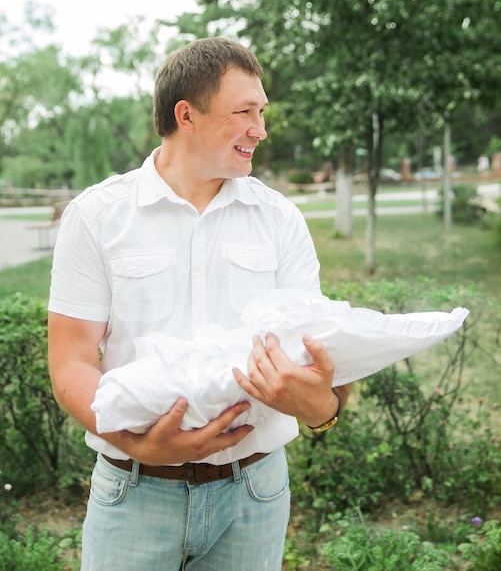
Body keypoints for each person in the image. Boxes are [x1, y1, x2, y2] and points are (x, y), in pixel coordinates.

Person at [48, 37, 350, 571]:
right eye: (244, 112)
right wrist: (138, 445)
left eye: (262, 112)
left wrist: (324, 410)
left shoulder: (280, 219)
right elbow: (71, 360)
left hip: (255, 495)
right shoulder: (96, 216)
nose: (261, 129)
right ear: (186, 115)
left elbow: (315, 360)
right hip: (133, 495)